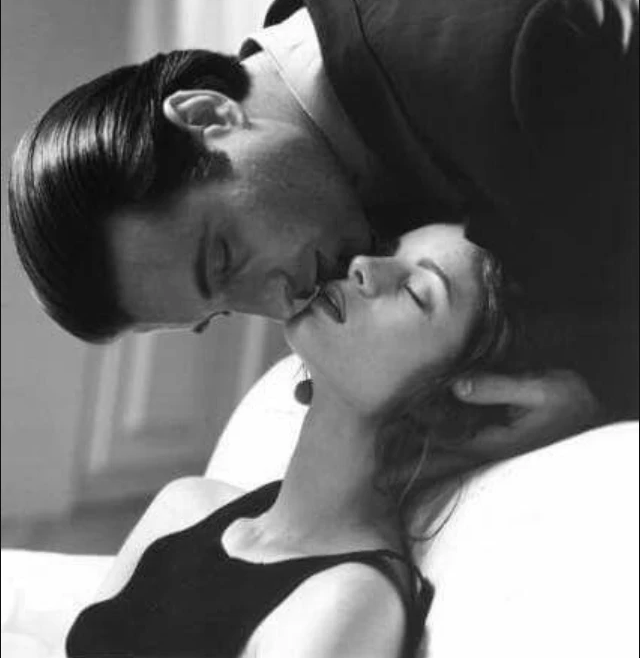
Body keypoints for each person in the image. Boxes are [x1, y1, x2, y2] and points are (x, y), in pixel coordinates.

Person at [8, 0, 638, 454]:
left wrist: (599, 395)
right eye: (223, 309)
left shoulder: (520, 60)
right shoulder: (342, 162)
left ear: (208, 114)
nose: (284, 305)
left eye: (224, 259)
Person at [64, 224, 596, 658]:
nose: (363, 265)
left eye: (417, 292)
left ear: (459, 396)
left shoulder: (345, 602)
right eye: (388, 250)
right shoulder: (184, 506)